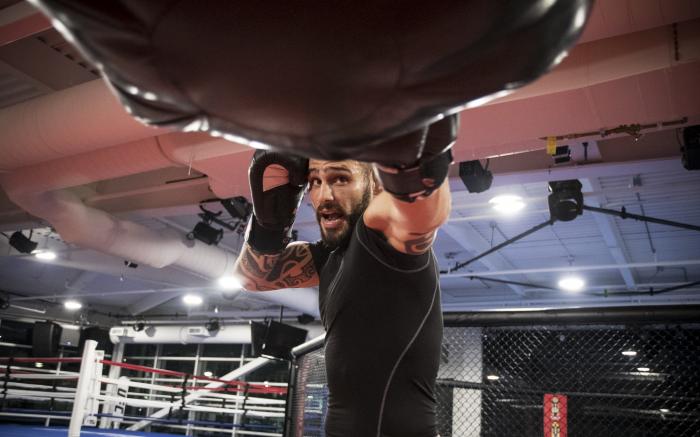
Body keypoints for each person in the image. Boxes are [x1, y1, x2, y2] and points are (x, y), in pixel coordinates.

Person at [234, 116, 456, 437]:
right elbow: (252, 277)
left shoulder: (380, 235)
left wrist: (416, 164)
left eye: (340, 179)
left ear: (376, 183)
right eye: (313, 181)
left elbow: (422, 213)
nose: (324, 196)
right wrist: (269, 226)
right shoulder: (330, 254)